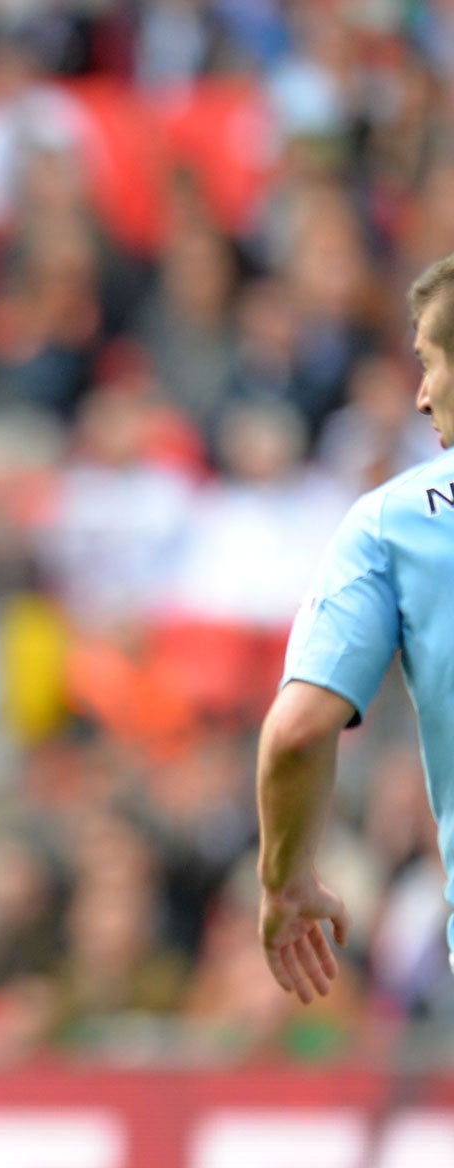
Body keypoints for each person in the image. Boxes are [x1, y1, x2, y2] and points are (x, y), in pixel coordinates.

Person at [257, 252, 454, 1007]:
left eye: (429, 363)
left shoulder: (391, 525)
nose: (419, 395)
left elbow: (298, 731)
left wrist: (285, 880)